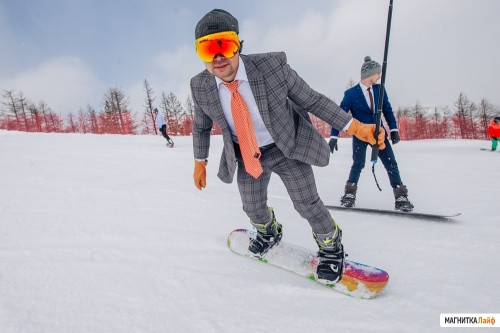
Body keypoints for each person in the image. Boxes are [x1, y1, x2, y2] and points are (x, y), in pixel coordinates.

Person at [190, 9, 385, 283]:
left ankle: (331, 245)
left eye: (224, 44)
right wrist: (200, 161)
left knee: (306, 203)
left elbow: (312, 100)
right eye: (208, 48)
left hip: (285, 146)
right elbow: (200, 126)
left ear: (238, 45)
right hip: (246, 154)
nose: (218, 57)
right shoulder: (200, 86)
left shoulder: (272, 67)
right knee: (252, 207)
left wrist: (355, 127)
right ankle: (269, 232)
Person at [329, 56, 414, 212]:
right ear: (370, 74)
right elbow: (339, 115)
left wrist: (393, 130)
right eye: (378, 74)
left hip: (378, 134)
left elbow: (387, 111)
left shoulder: (379, 90)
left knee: (391, 163)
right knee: (358, 163)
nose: (380, 76)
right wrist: (334, 136)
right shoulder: (351, 94)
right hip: (360, 135)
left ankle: (401, 197)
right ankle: (349, 195)